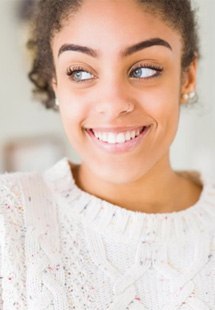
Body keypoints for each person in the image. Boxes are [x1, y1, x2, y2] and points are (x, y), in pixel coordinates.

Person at [0, 0, 214, 309]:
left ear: (187, 77)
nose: (113, 104)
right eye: (81, 73)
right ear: (56, 84)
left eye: (144, 70)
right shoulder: (10, 221)